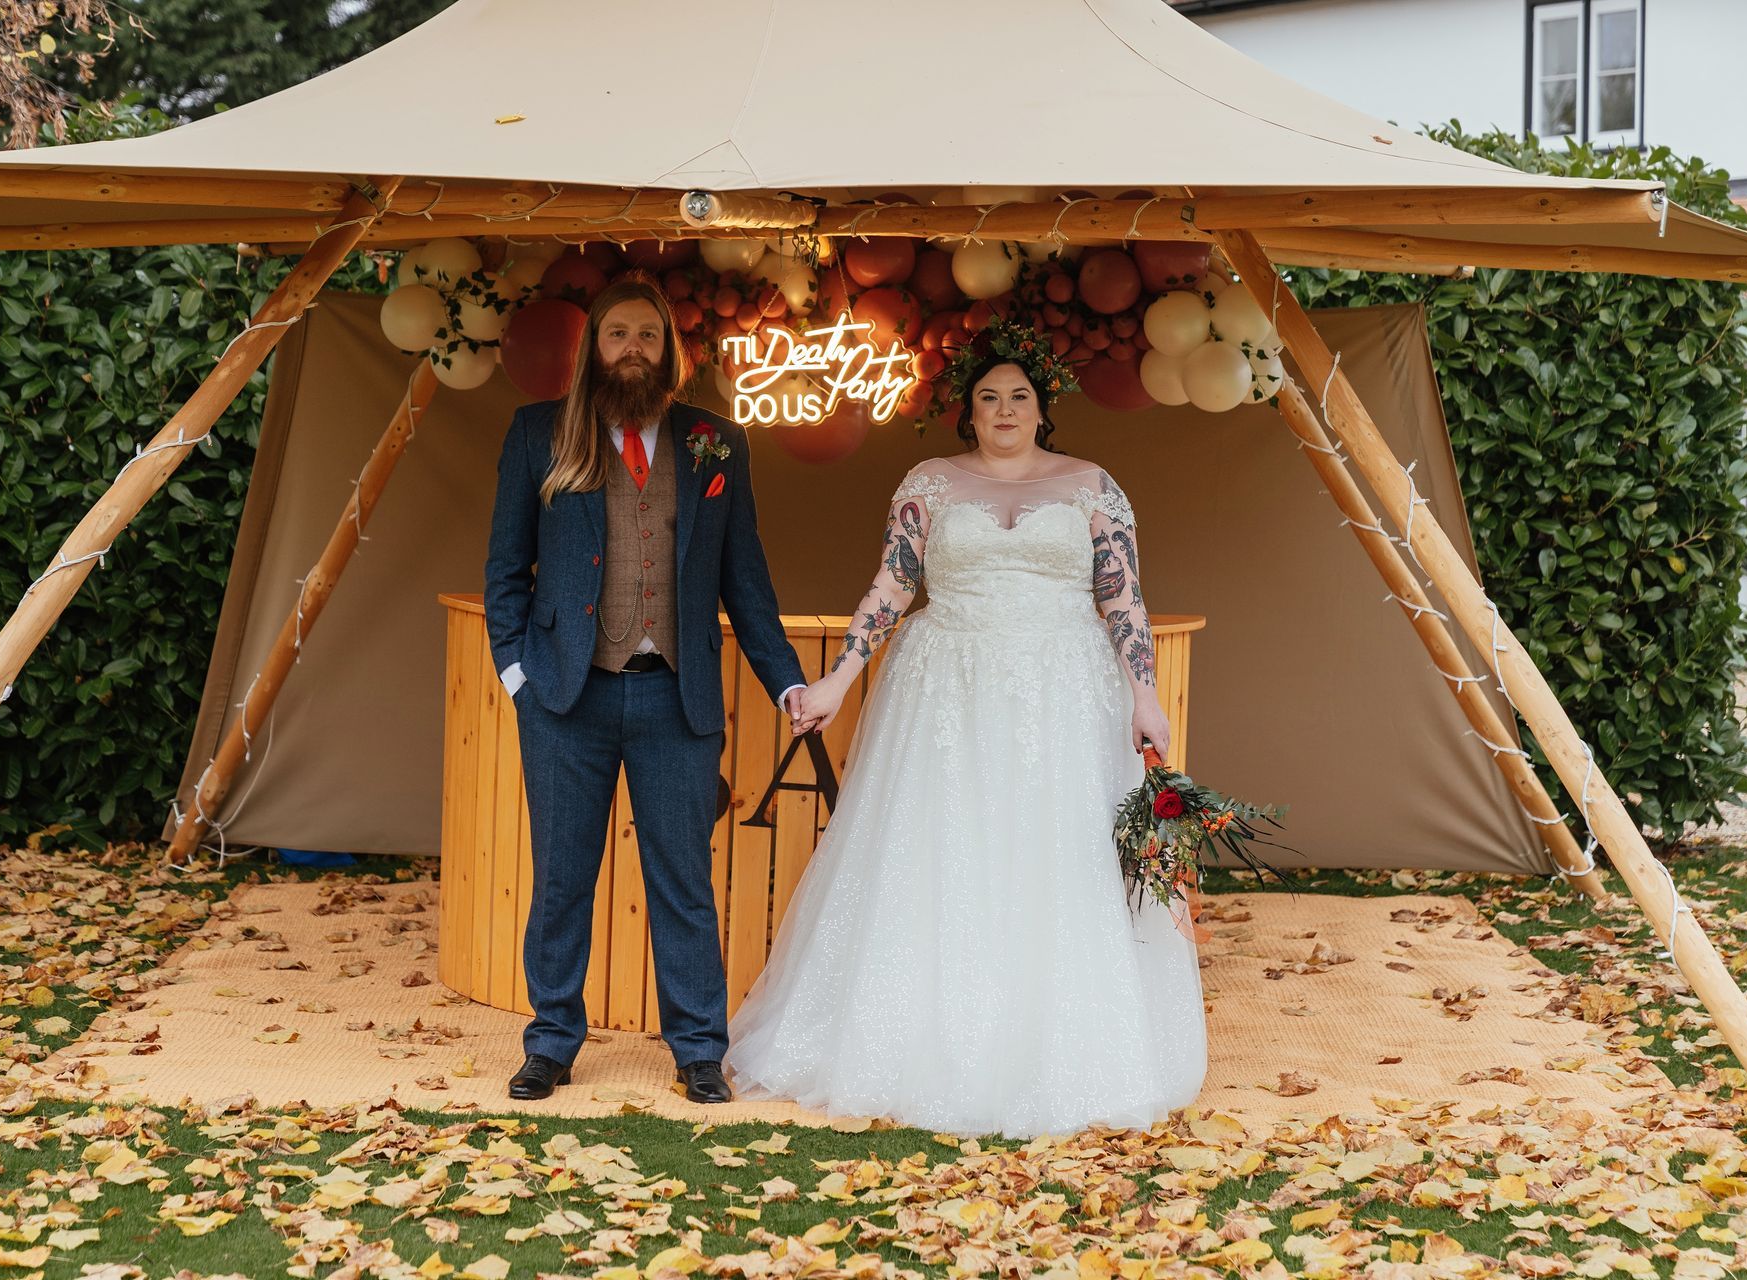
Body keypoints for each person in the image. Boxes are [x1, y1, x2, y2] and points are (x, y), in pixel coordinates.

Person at [723, 321, 1207, 1138]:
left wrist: (1145, 695)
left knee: (1057, 859)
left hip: (1064, 690)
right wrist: (840, 678)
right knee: (944, 852)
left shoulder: (1091, 484)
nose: (1005, 409)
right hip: (946, 687)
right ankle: (927, 1045)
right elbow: (890, 587)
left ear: (1041, 408)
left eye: (1019, 396)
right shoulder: (930, 483)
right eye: (989, 397)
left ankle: (1060, 1051)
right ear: (969, 413)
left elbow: (1122, 597)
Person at [483, 276, 807, 1105]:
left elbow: (749, 583)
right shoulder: (538, 434)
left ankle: (698, 1047)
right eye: (618, 334)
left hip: (676, 698)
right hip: (566, 698)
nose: (633, 348)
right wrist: (519, 676)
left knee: (682, 879)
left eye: (648, 336)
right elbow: (504, 569)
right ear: (594, 345)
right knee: (561, 876)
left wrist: (787, 685)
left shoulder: (715, 444)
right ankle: (551, 1041)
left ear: (671, 351)